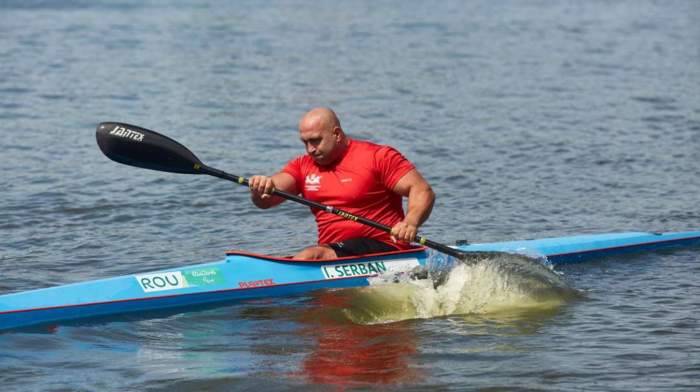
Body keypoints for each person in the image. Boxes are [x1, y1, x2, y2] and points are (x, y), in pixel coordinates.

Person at [248, 107, 435, 259]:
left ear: (336, 134)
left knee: (311, 255)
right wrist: (261, 187)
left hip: (385, 247)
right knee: (315, 254)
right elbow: (266, 200)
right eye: (305, 142)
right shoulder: (303, 166)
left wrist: (410, 223)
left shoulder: (378, 156)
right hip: (336, 251)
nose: (310, 149)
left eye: (315, 141)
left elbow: (421, 190)